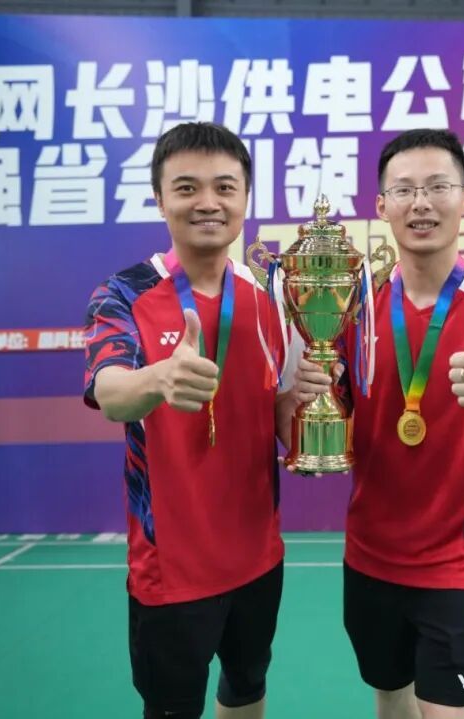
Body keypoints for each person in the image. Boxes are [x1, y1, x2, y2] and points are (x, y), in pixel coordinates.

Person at [296, 128, 464, 719]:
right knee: (392, 701)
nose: (421, 203)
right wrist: (308, 393)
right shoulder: (350, 308)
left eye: (438, 186)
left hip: (463, 555)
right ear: (381, 205)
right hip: (371, 554)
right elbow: (326, 416)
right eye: (405, 190)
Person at [83, 122, 323, 719]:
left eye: (224, 187)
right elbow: (110, 392)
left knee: (246, 690)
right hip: (171, 569)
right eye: (187, 188)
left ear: (245, 198)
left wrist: (299, 412)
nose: (208, 202)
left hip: (259, 557)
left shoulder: (271, 297)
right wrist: (158, 380)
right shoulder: (123, 294)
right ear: (159, 198)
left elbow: (275, 414)